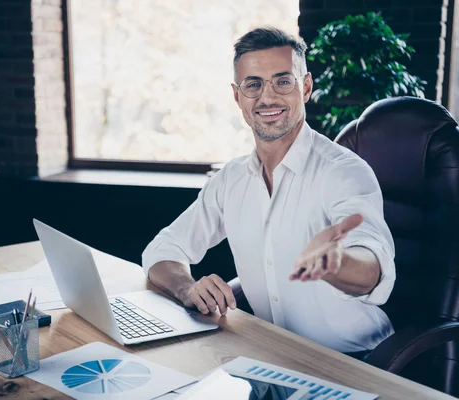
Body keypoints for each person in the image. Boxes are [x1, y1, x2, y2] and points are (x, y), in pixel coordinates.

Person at [141, 27, 396, 356]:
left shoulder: (344, 172)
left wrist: (337, 263)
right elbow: (162, 250)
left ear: (305, 87)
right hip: (271, 356)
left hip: (358, 362)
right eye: (253, 84)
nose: (267, 97)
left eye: (283, 81)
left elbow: (372, 269)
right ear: (238, 97)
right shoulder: (231, 179)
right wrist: (189, 290)